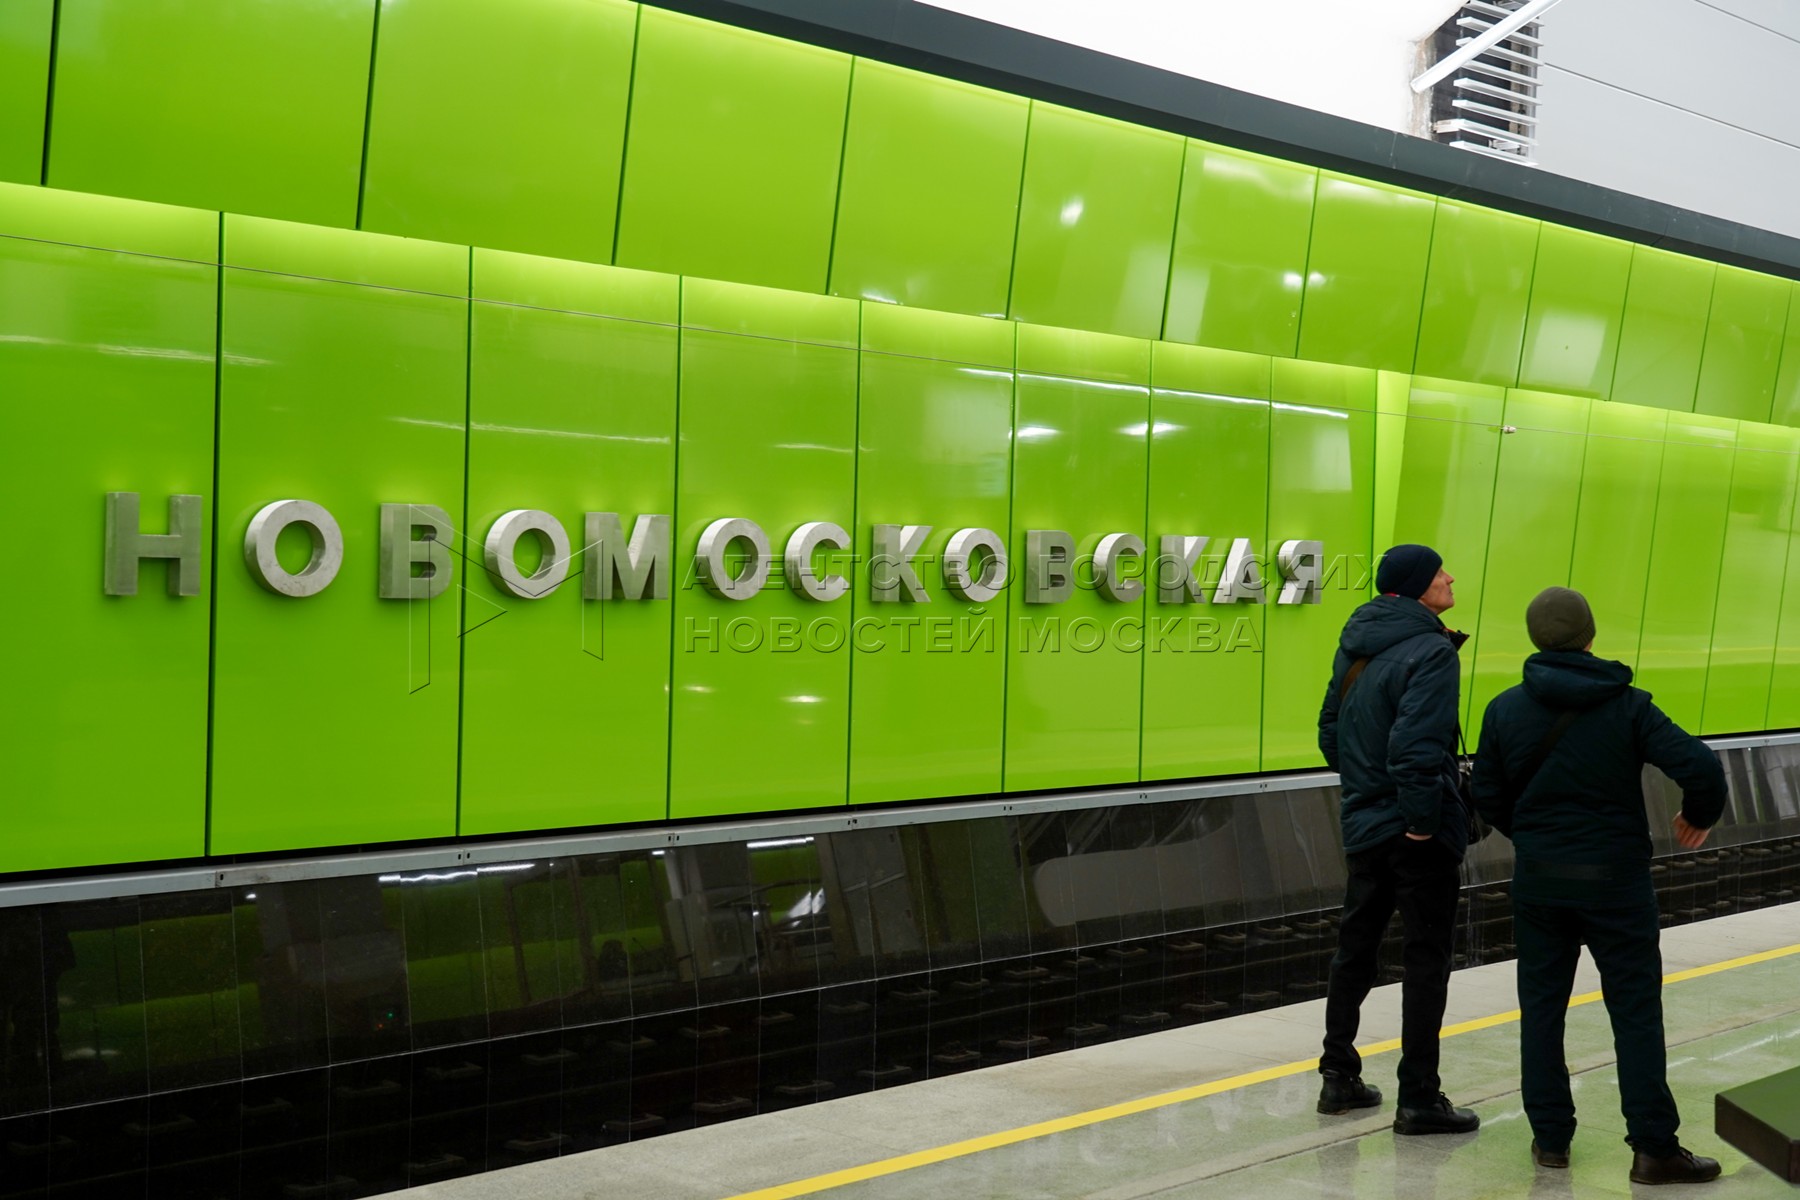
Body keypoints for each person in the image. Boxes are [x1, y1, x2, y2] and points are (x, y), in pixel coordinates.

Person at [1472, 586, 1726, 1185]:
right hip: (1616, 883)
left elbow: (1486, 794)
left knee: (1541, 1010)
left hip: (1541, 884)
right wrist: (1699, 816)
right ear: (1590, 636)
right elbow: (1701, 767)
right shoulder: (1629, 706)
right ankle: (1653, 1149)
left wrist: (1533, 836)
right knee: (1635, 1013)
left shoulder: (1504, 710)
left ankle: (1551, 1141)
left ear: (1535, 639)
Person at [1315, 543, 1480, 1135]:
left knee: (1355, 948)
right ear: (1416, 587)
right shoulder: (1431, 650)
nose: (1450, 577)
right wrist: (1420, 820)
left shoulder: (1355, 644)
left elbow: (1329, 732)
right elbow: (1416, 747)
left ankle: (1338, 1076)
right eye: (1439, 572)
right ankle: (1419, 1099)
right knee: (1426, 958)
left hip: (1364, 823)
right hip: (1414, 831)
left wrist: (1366, 787)